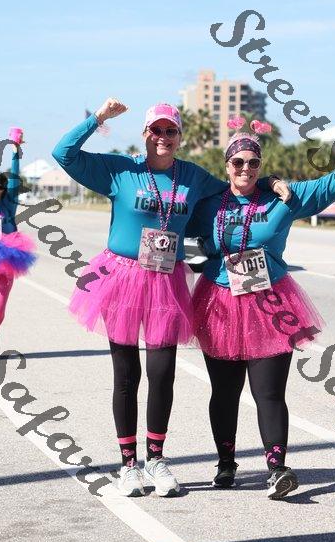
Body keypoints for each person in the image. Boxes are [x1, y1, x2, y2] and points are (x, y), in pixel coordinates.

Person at [52, 99, 287, 498]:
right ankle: (128, 465)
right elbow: (63, 154)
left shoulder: (192, 176)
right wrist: (99, 118)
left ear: (179, 137)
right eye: (156, 130)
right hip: (122, 278)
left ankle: (156, 460)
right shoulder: (120, 170)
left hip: (166, 279)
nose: (163, 137)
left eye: (171, 131)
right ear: (145, 134)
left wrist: (271, 181)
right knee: (126, 375)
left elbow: (238, 184)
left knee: (162, 373)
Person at [187, 118, 335, 499]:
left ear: (260, 165)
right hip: (219, 303)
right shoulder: (209, 203)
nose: (245, 169)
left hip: (271, 306)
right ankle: (226, 463)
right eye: (237, 162)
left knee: (270, 393)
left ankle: (277, 468)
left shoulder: (282, 198)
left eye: (253, 163)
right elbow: (174, 218)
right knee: (224, 392)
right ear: (227, 165)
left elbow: (329, 184)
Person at [0, 128, 37, 361]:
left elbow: (14, 177)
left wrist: (15, 150)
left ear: (2, 189)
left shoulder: (9, 204)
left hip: (4, 261)